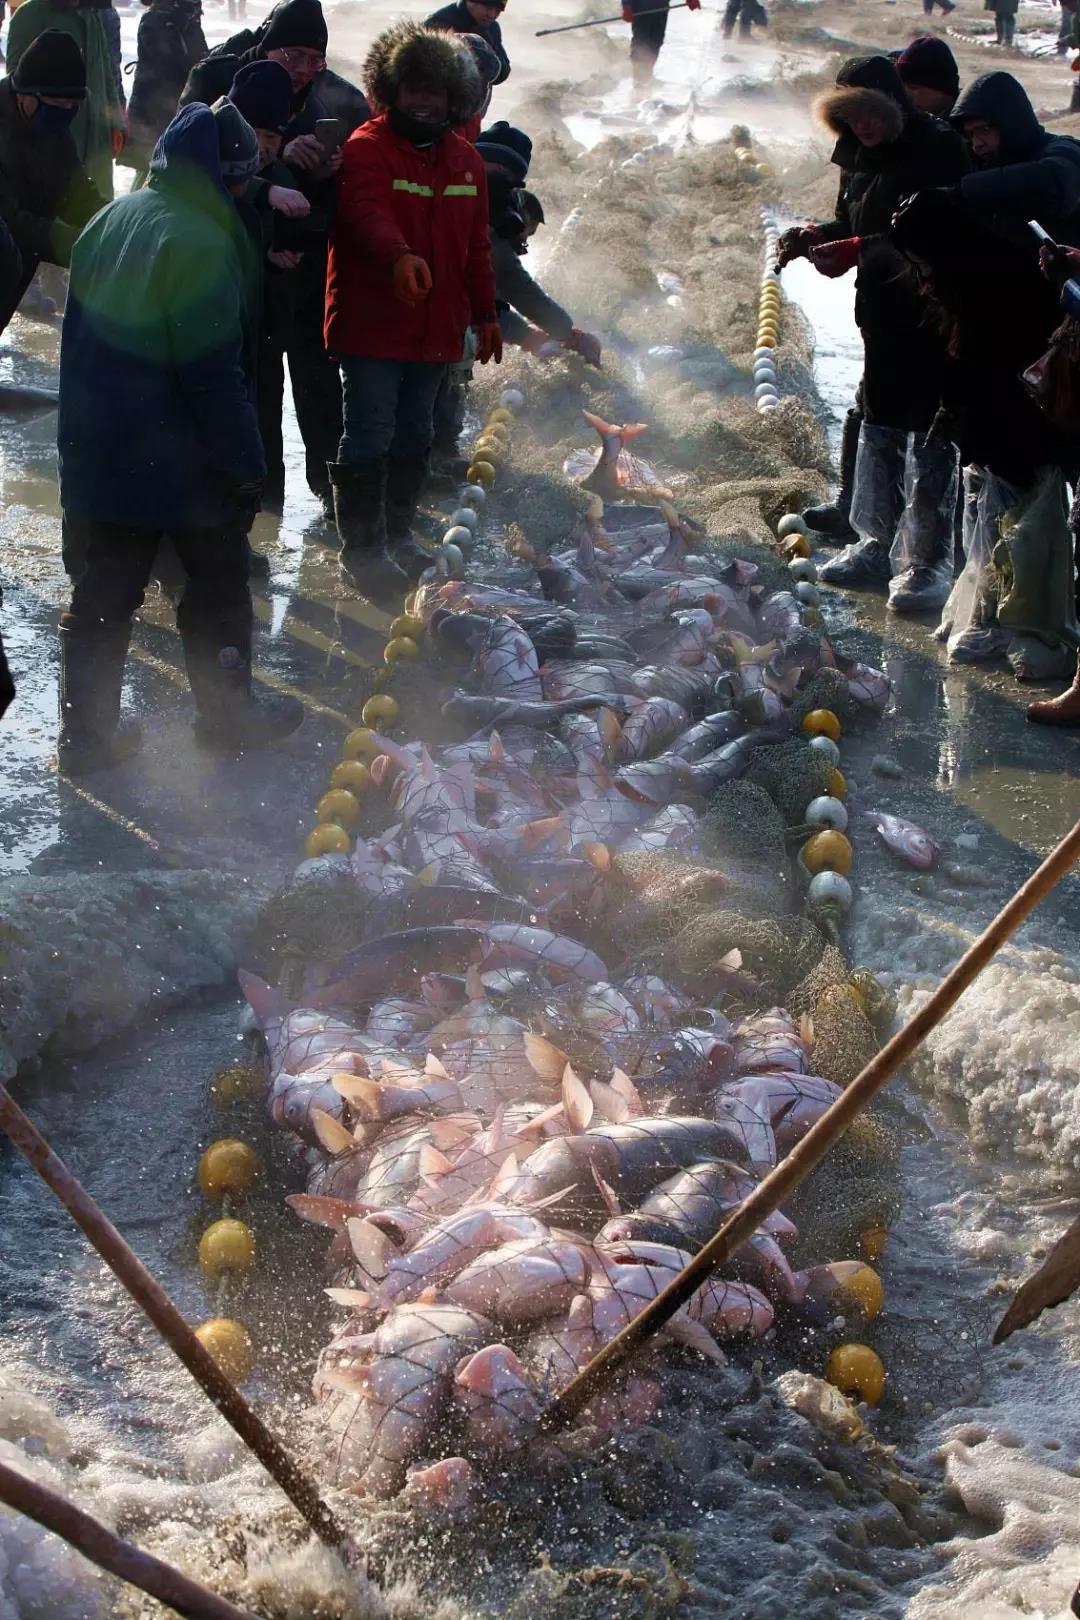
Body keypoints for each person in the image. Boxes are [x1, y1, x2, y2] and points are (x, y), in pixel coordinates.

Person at [56, 101, 303, 775]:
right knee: (219, 584)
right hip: (177, 459)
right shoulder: (199, 240)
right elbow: (211, 377)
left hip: (98, 449)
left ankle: (86, 736)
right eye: (246, 178)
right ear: (227, 177)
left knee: (104, 595)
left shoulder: (113, 216)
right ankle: (228, 717)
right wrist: (246, 466)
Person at [778, 55, 968, 614]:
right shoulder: (858, 156)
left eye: (871, 114)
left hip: (933, 310)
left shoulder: (935, 148)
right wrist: (817, 236)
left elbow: (939, 233)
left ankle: (926, 562)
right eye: (850, 116)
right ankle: (876, 543)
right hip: (881, 310)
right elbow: (858, 223)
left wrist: (861, 249)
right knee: (880, 422)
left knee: (928, 433)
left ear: (896, 107)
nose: (862, 126)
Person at [325, 20, 501, 588]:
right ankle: (362, 550)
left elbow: (476, 243)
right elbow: (365, 215)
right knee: (370, 432)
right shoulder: (366, 148)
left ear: (456, 100)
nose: (424, 103)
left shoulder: (466, 162)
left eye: (436, 93)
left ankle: (398, 536)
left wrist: (486, 312)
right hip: (374, 323)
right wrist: (399, 256)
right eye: (414, 90)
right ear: (392, 91)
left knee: (415, 437)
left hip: (437, 327)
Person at [892, 189, 1078, 676]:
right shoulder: (964, 283)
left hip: (1021, 422)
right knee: (987, 516)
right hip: (995, 424)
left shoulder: (997, 282)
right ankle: (983, 610)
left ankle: (1008, 621)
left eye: (923, 263)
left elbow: (1000, 368)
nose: (922, 276)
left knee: (1016, 526)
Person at [183, 0, 346, 516]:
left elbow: (339, 201)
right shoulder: (220, 83)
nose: (301, 70)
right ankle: (261, 506)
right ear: (267, 43)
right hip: (239, 265)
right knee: (255, 391)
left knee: (318, 381)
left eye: (313, 60)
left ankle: (334, 493)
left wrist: (325, 172)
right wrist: (265, 179)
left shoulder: (334, 98)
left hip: (300, 262)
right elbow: (185, 165)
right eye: (291, 54)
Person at [0, 31, 109, 335]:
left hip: (18, 271)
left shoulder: (53, 127)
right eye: (56, 102)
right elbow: (9, 221)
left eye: (71, 105)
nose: (64, 112)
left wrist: (111, 222)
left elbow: (76, 191)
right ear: (26, 94)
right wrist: (74, 243)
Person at [477, 121, 602, 363]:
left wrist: (564, 333)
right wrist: (532, 337)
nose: (502, 183)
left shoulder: (491, 212)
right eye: (501, 172)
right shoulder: (456, 207)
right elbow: (469, 300)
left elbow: (507, 286)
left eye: (511, 180)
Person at [6, 0, 125, 196]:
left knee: (97, 206)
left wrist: (116, 120)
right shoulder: (30, 15)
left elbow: (106, 72)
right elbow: (17, 84)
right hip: (53, 140)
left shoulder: (93, 15)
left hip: (97, 140)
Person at [949, 71, 1080, 249]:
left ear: (1010, 122)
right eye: (971, 134)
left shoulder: (1064, 149)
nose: (977, 144)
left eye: (984, 129)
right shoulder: (986, 162)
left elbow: (1052, 181)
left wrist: (961, 192)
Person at [124, 0, 207, 174]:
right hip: (152, 115)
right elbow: (170, 63)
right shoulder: (155, 18)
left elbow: (201, 63)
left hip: (175, 112)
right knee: (148, 173)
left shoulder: (187, 20)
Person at [425, 0, 509, 86]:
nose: (491, 15)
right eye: (488, 8)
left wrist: (486, 49)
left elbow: (504, 71)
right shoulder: (439, 22)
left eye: (498, 11)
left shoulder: (492, 27)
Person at [895, 35, 960, 117]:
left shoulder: (969, 125)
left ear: (941, 89)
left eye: (913, 87)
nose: (905, 95)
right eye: (901, 87)